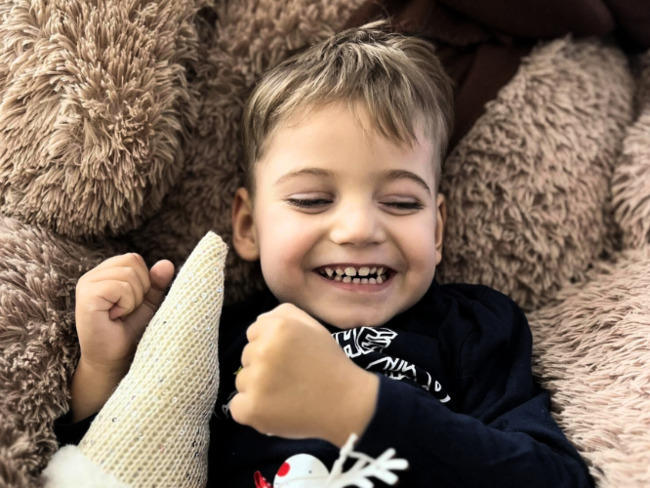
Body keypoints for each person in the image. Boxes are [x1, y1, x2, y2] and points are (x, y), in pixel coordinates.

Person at [54, 22, 594, 487]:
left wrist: (360, 410)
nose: (358, 229)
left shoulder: (474, 329)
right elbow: (128, 463)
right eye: (312, 199)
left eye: (401, 202)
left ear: (437, 228)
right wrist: (107, 369)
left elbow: (555, 477)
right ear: (248, 226)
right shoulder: (211, 339)